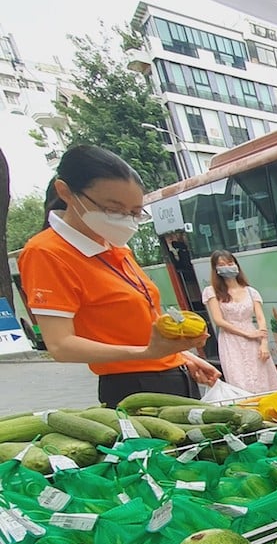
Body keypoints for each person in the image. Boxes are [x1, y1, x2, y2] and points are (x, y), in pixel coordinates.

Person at [17, 145, 219, 407]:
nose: (125, 219)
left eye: (134, 212)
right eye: (113, 209)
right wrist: (147, 353)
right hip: (133, 386)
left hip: (172, 374)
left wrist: (181, 357)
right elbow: (61, 345)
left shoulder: (113, 244)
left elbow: (139, 325)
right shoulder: (46, 253)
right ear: (65, 192)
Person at [201, 250, 277, 393]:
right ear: (216, 269)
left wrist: (264, 344)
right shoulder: (211, 291)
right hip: (231, 340)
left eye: (230, 263)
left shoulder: (251, 292)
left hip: (254, 338)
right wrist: (246, 334)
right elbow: (218, 320)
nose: (227, 267)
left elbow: (260, 318)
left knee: (263, 379)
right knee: (240, 380)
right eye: (221, 265)